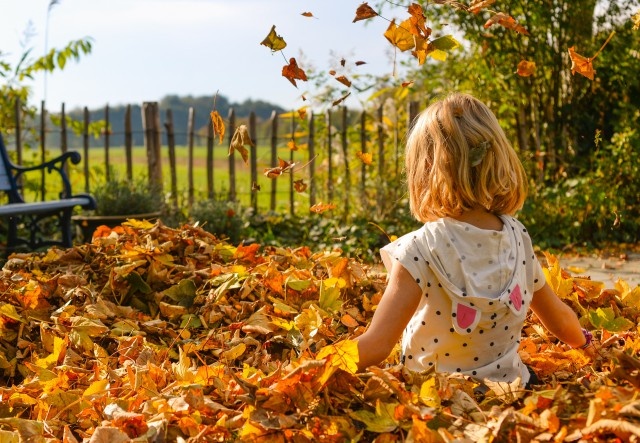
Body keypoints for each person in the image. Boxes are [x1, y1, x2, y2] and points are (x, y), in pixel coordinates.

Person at [356, 92, 591, 386]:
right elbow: (558, 318)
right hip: (511, 388)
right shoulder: (517, 236)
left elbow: (377, 344)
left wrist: (315, 367)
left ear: (425, 171)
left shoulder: (419, 249)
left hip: (436, 396)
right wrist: (585, 344)